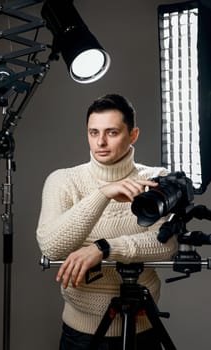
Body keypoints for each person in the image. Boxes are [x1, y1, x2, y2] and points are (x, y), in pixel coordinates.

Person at [36, 94, 177, 350]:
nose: (100, 142)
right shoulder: (63, 180)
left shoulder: (157, 178)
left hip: (143, 328)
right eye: (93, 132)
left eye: (112, 132)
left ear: (133, 135)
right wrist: (103, 194)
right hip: (82, 334)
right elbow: (51, 246)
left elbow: (166, 244)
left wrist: (102, 248)